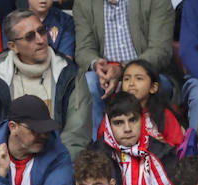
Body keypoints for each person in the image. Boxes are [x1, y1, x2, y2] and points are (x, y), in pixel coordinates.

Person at [69, 0, 174, 152]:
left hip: (146, 70)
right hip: (105, 74)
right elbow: (84, 50)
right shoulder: (84, 3)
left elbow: (160, 50)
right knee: (89, 81)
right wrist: (97, 65)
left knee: (147, 81)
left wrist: (124, 70)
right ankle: (98, 151)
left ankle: (156, 146)